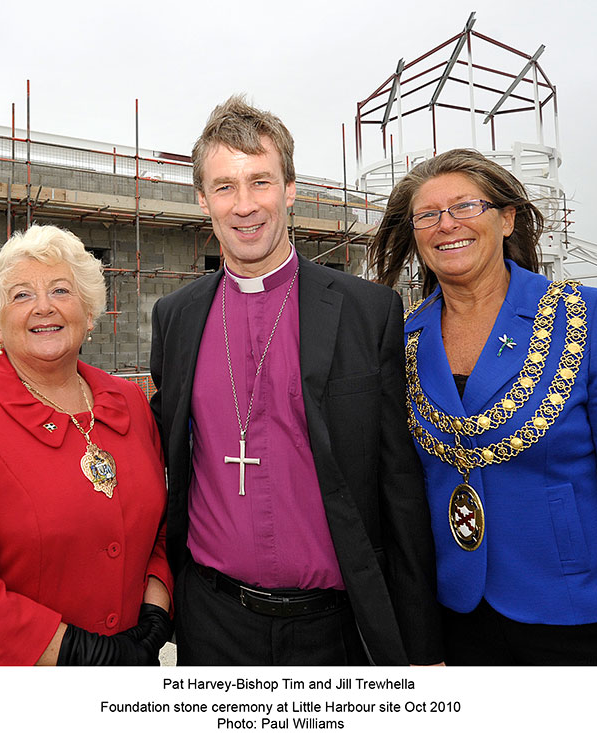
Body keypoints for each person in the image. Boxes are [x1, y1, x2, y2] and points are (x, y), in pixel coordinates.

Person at [368, 148, 597, 665]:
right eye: (427, 215)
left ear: (507, 219)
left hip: (578, 620)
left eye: (465, 206)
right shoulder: (402, 340)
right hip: (452, 619)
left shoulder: (589, 317)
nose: (446, 224)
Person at [149, 96, 442, 665]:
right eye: (225, 186)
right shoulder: (176, 317)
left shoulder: (368, 311)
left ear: (290, 188)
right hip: (212, 622)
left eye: (260, 181)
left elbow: (400, 485)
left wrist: (422, 643)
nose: (244, 205)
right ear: (202, 198)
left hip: (336, 627)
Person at [0, 225, 172, 665]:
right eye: (22, 295)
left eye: (61, 290)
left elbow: (162, 526)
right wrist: (83, 656)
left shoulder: (130, 404)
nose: (43, 306)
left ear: (89, 313)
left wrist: (155, 613)